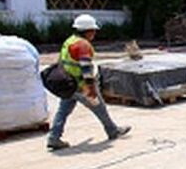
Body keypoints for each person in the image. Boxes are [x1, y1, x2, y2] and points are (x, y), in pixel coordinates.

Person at [47, 14, 131, 151]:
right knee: (99, 107)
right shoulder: (83, 45)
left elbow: (61, 62)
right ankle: (112, 130)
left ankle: (54, 137)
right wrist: (91, 89)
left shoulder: (69, 41)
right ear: (87, 31)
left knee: (63, 111)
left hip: (68, 85)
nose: (94, 33)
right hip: (81, 86)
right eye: (93, 30)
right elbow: (86, 68)